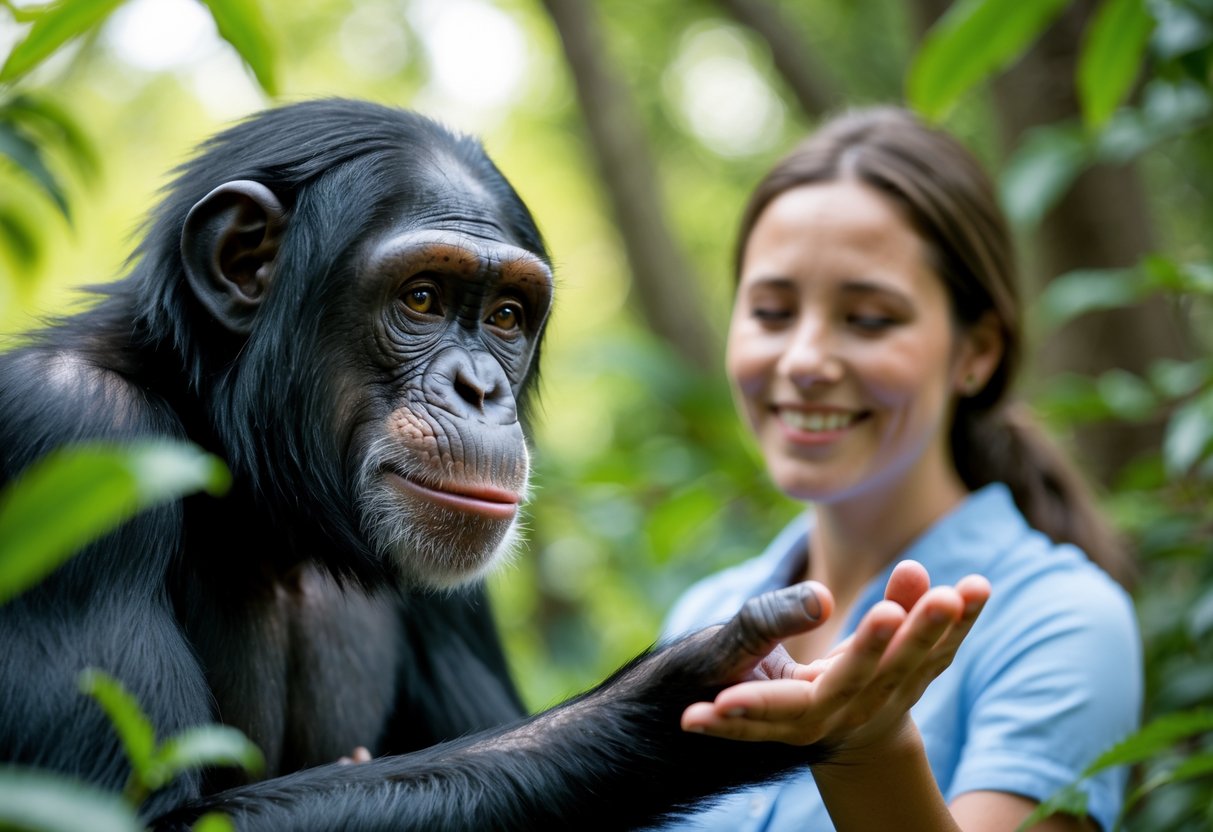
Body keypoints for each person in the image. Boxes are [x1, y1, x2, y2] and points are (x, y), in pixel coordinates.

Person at [662, 107, 1142, 831]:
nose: (802, 361)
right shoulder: (703, 620)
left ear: (975, 352)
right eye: (770, 311)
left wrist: (868, 745)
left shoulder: (1061, 621)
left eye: (867, 319)